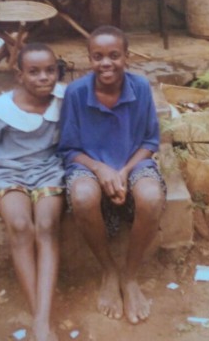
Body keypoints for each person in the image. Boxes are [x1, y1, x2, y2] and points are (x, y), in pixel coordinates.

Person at [58, 25, 166, 324]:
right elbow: (68, 149)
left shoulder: (141, 87)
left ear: (127, 58)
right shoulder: (76, 93)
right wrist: (100, 168)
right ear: (89, 59)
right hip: (88, 165)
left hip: (134, 162)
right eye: (98, 56)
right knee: (82, 196)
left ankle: (130, 277)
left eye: (114, 55)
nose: (106, 63)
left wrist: (124, 171)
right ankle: (108, 270)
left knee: (150, 195)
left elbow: (149, 143)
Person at [0, 42, 65, 341]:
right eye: (34, 72)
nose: (44, 78)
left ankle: (41, 319)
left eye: (50, 70)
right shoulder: (0, 110)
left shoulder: (64, 100)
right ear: (19, 75)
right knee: (19, 224)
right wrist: (7, 173)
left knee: (47, 225)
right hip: (7, 171)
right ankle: (41, 319)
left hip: (48, 170)